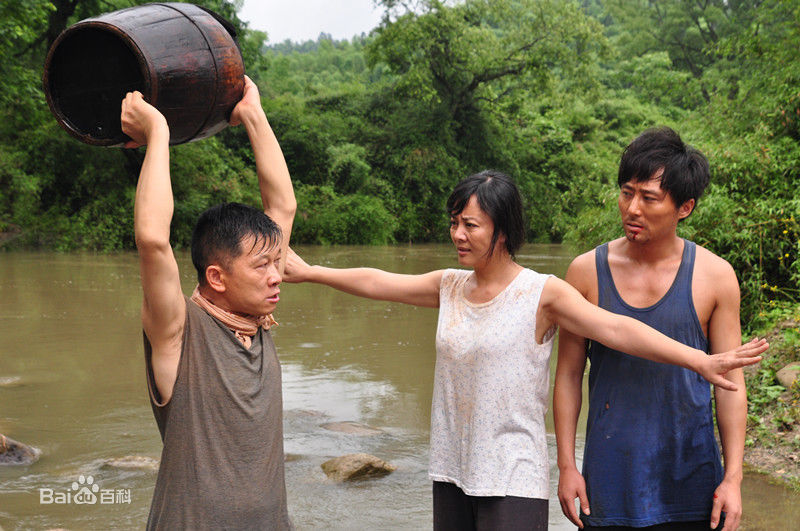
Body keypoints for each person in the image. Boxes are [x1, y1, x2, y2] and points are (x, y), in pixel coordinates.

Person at [282, 170, 766, 531]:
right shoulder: (449, 285)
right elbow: (379, 281)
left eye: (470, 225)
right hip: (453, 468)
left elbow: (618, 329)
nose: (457, 235)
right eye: (454, 223)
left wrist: (698, 359)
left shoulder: (544, 293)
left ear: (503, 230)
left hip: (513, 474)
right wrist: (309, 272)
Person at [554, 126, 752, 531]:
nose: (632, 209)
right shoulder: (586, 272)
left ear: (685, 207)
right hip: (608, 479)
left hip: (691, 480)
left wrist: (733, 478)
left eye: (649, 198)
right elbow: (569, 375)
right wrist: (566, 466)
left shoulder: (715, 277)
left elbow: (730, 383)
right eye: (627, 193)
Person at [121, 76, 296, 530]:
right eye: (262, 266)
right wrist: (158, 133)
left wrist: (253, 115)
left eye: (276, 263)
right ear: (216, 277)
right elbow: (153, 240)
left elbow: (283, 208)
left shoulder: (258, 315)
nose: (277, 275)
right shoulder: (178, 330)